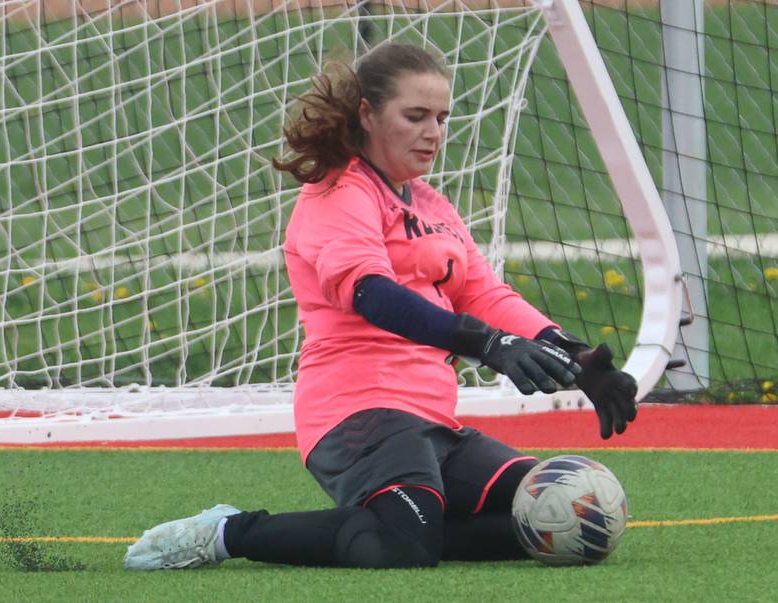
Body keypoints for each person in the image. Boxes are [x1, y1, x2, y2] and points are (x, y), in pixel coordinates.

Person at [123, 42, 637, 571]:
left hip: (434, 422)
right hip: (359, 414)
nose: (433, 132)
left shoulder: (431, 203)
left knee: (545, 518)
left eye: (440, 117)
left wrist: (576, 362)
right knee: (402, 546)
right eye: (415, 116)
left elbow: (485, 293)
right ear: (366, 114)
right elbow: (373, 294)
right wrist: (484, 344)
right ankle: (229, 532)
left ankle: (414, 523)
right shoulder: (338, 191)